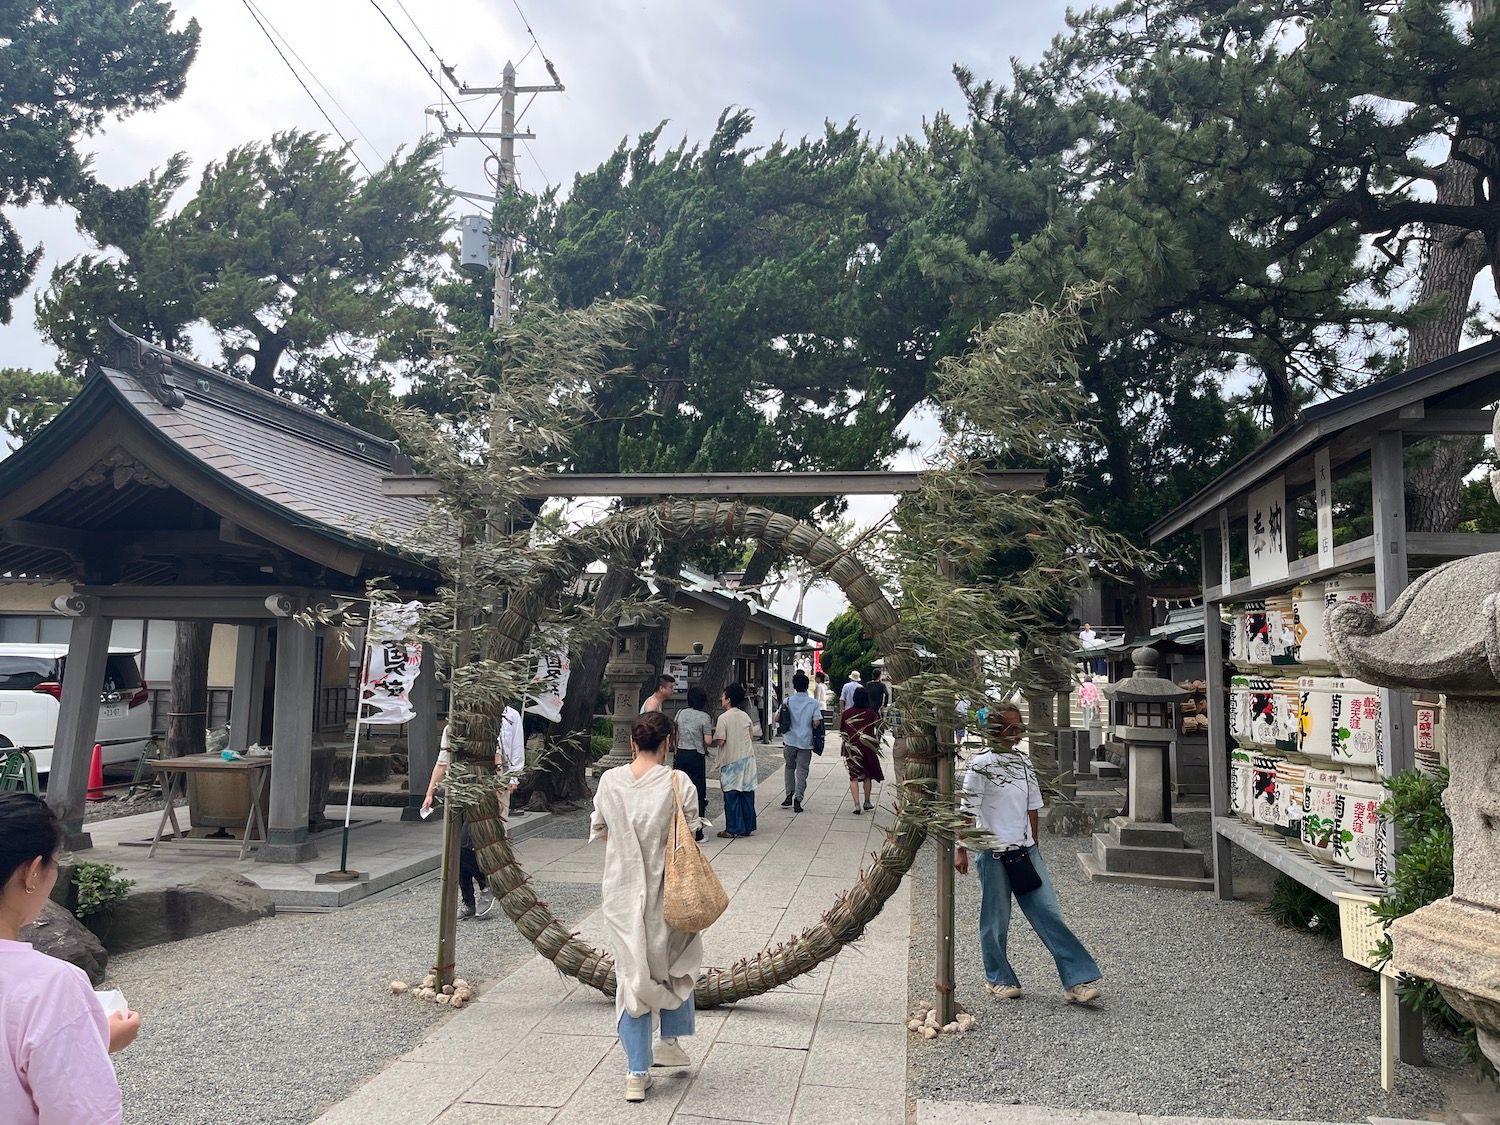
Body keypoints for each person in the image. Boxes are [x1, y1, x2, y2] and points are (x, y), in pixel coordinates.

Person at [589, 712, 708, 1103]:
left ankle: (636, 1072)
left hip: (622, 893)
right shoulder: (679, 782)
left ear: (634, 743)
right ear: (668, 743)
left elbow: (601, 830)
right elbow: (691, 833)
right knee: (675, 965)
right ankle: (668, 1040)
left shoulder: (609, 781)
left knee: (631, 975)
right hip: (668, 895)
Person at [1, 792, 138, 1124]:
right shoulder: (49, 987)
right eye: (55, 862)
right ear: (32, 872)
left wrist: (91, 1037)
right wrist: (88, 1040)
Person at [955, 705, 1102, 1005]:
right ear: (994, 731)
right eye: (1011, 727)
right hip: (992, 853)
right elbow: (967, 810)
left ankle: (1076, 979)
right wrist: (961, 849)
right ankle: (998, 978)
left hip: (1024, 851)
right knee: (995, 919)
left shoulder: (1024, 763)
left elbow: (1032, 805)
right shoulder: (980, 766)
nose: (1018, 731)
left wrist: (1034, 843)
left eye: (1019, 725)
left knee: (1048, 913)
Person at [422, 705, 525, 918]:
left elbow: (498, 759)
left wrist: (506, 782)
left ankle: (486, 883)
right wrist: (430, 792)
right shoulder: (452, 728)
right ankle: (468, 899)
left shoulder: (488, 727)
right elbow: (442, 762)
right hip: (458, 793)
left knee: (467, 845)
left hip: (485, 793)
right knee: (454, 847)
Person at [711, 682, 760, 838]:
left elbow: (720, 740)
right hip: (747, 758)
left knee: (731, 794)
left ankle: (733, 827)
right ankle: (747, 825)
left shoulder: (723, 718)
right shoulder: (745, 716)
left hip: (732, 759)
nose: (721, 698)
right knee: (746, 793)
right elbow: (751, 736)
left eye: (723, 696)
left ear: (729, 699)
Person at [673, 686, 714, 842]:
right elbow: (708, 740)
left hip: (681, 754)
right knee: (698, 792)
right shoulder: (704, 717)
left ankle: (678, 828)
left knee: (680, 791)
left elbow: (676, 735)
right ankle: (698, 831)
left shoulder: (680, 713)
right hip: (696, 756)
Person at [778, 671, 823, 813]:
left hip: (790, 740)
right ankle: (798, 799)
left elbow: (777, 718)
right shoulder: (813, 703)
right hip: (805, 741)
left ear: (794, 686)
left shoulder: (787, 701)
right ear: (806, 685)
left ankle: (788, 794)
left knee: (789, 767)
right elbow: (816, 722)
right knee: (802, 771)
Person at [839, 686, 884, 814]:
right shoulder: (870, 713)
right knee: (867, 775)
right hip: (867, 747)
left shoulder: (846, 713)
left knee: (853, 776)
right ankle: (867, 801)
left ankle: (856, 804)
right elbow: (880, 726)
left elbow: (842, 730)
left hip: (851, 748)